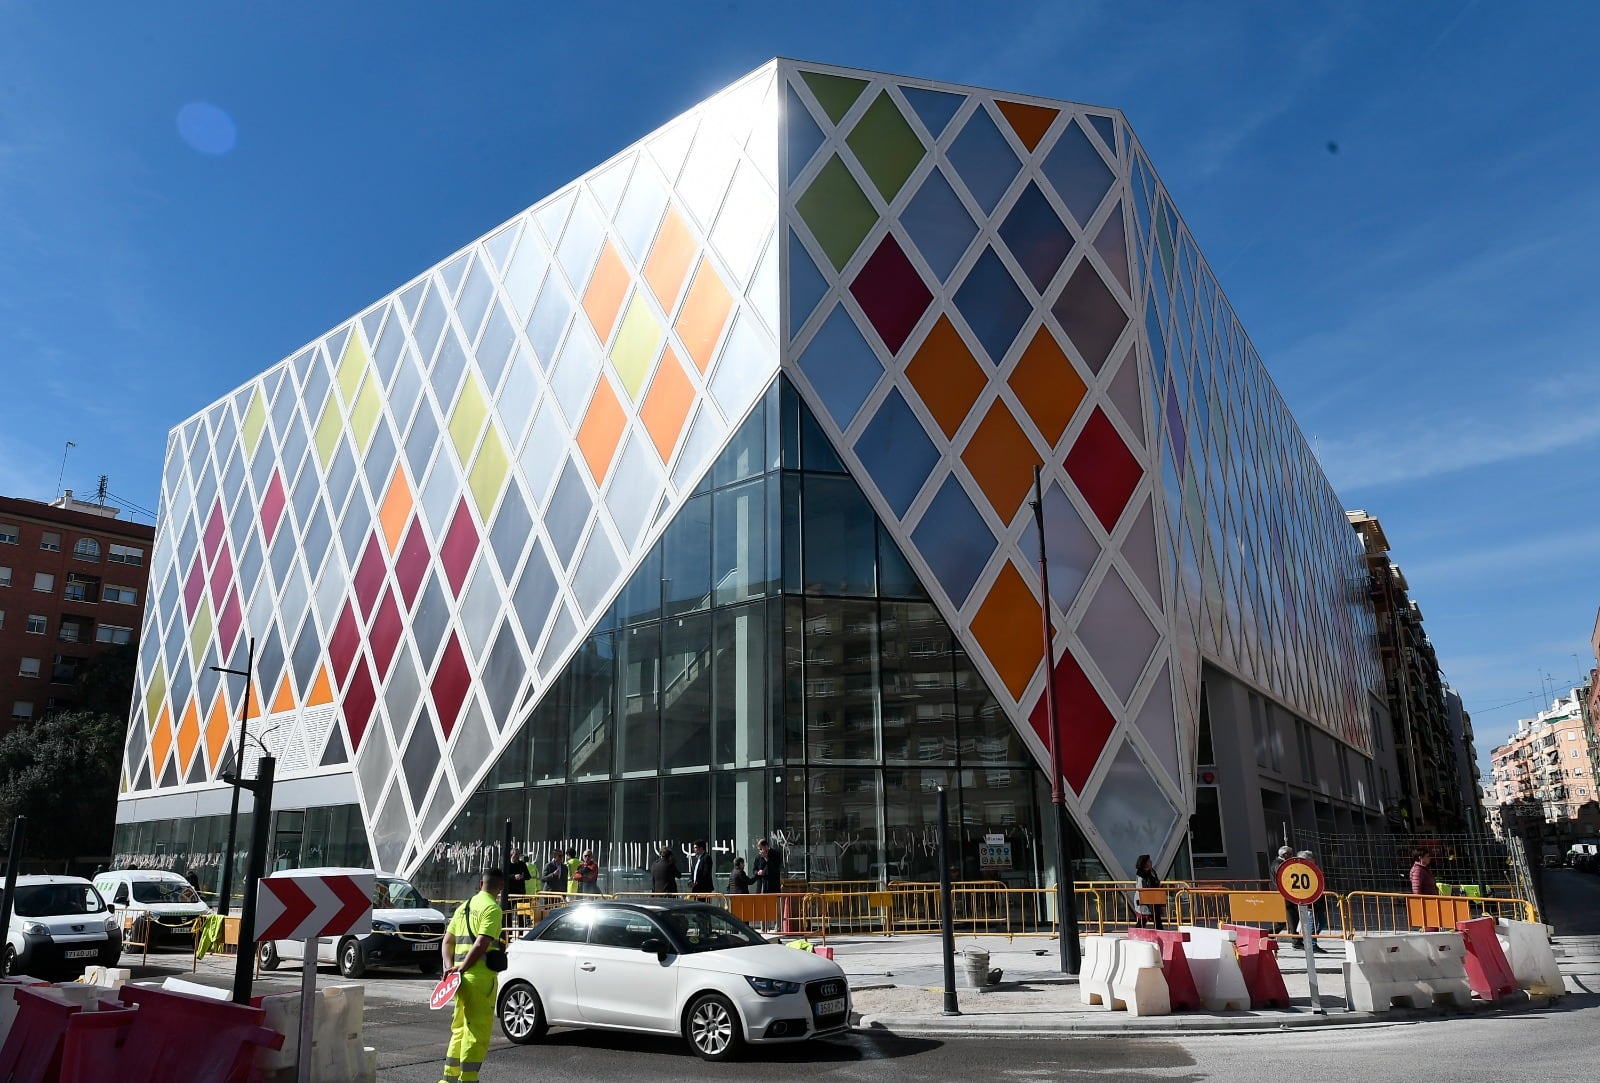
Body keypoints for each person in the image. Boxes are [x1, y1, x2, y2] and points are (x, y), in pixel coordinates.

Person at [438, 868, 504, 1083]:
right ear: (500, 888)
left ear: (480, 884)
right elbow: (481, 943)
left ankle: (449, 1078)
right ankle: (468, 1078)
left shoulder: (464, 907)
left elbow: (447, 941)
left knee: (458, 1028)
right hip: (479, 978)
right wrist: (464, 968)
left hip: (457, 981)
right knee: (477, 1030)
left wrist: (450, 967)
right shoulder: (492, 909)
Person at [1270, 845, 1301, 949]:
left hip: (1283, 894)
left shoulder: (1277, 863)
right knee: (1293, 918)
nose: (1292, 856)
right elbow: (1284, 878)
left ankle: (1268, 935)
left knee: (1283, 921)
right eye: (1290, 854)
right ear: (1285, 855)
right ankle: (1296, 942)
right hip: (1284, 895)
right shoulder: (1279, 865)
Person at [1132, 854, 1164, 930]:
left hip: (1153, 899)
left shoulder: (1152, 871)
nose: (1151, 862)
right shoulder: (1140, 875)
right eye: (1149, 861)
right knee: (1143, 920)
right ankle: (1137, 934)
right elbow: (1141, 888)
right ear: (1144, 863)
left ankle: (1161, 933)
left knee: (1157, 919)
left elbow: (1155, 881)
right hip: (1144, 901)